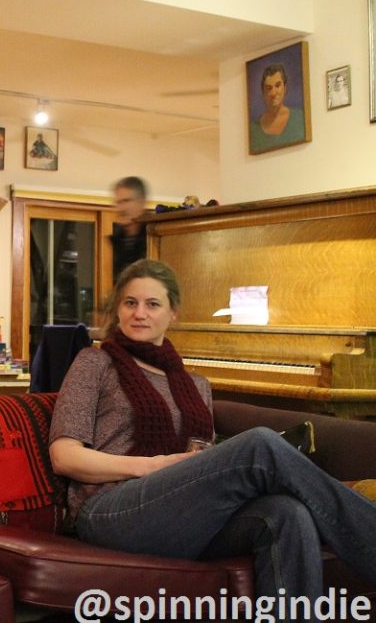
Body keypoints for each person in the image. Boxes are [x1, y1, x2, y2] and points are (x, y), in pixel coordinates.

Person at [48, 259, 376, 608]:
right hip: (110, 511)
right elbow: (64, 456)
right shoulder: (94, 363)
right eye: (130, 303)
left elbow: (201, 461)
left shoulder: (195, 385)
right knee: (260, 444)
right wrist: (154, 466)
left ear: (173, 313)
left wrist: (201, 462)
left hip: (181, 515)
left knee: (285, 513)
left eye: (152, 304)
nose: (139, 313)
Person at [249, 63, 307, 154]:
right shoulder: (253, 130)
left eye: (277, 86)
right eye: (269, 88)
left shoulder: (300, 118)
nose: (273, 93)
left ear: (285, 88)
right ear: (263, 93)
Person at [109, 176, 147, 284]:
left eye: (126, 201)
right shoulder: (117, 241)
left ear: (142, 202)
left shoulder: (156, 239)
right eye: (118, 203)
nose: (121, 209)